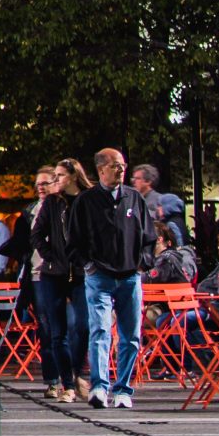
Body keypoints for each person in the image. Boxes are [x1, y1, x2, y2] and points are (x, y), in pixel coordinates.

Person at [78, 146, 159, 411]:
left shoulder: (134, 199)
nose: (121, 169)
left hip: (129, 276)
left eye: (122, 164)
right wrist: (87, 265)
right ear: (101, 169)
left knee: (131, 335)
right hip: (99, 275)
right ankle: (100, 386)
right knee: (100, 330)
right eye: (115, 165)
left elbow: (149, 237)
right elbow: (74, 240)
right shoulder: (86, 202)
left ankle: (123, 389)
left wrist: (141, 264)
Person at [28, 163, 88, 404]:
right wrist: (51, 255)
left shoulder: (86, 200)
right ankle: (68, 383)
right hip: (53, 274)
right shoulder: (53, 203)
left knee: (84, 325)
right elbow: (36, 234)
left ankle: (75, 370)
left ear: (74, 176)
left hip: (81, 272)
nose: (56, 180)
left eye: (60, 175)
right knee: (57, 332)